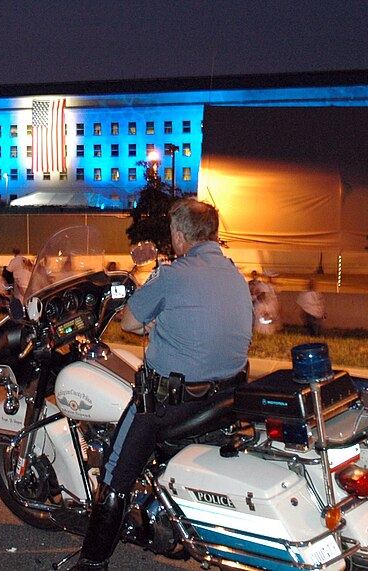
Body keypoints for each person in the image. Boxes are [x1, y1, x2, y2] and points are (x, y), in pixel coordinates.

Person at [73, 198, 253, 570]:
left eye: (172, 230)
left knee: (114, 470)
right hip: (224, 400)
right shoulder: (236, 275)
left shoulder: (171, 274)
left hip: (170, 404)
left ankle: (92, 562)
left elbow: (129, 323)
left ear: (182, 234)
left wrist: (152, 324)